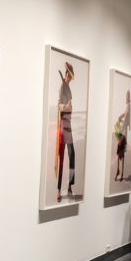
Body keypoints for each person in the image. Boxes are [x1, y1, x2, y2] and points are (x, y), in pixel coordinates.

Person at [55, 62, 76, 201]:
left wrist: (70, 107)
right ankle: (58, 190)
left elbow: (70, 107)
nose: (69, 78)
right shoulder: (63, 87)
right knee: (62, 156)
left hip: (69, 123)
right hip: (63, 124)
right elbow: (59, 105)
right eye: (68, 75)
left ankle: (70, 185)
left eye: (70, 76)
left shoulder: (69, 89)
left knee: (72, 154)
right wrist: (65, 106)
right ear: (66, 74)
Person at [114, 89, 131, 182]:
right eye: (126, 96)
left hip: (124, 134)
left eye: (127, 96)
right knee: (120, 152)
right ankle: (118, 171)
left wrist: (121, 118)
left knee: (121, 152)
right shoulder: (127, 106)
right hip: (122, 132)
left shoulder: (128, 106)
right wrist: (120, 117)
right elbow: (124, 115)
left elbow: (126, 115)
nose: (126, 97)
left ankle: (121, 173)